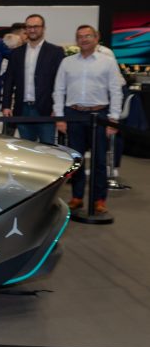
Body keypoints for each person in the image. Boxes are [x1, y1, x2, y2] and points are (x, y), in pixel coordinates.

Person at [53, 25, 123, 214]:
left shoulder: (107, 62)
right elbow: (59, 90)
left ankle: (99, 200)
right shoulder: (67, 62)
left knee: (99, 161)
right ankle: (77, 197)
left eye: (88, 36)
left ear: (96, 37)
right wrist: (60, 117)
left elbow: (116, 91)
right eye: (80, 37)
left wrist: (113, 119)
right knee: (76, 160)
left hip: (99, 115)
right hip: (74, 114)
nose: (83, 39)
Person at [1, 14, 65, 144]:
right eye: (29, 27)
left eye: (36, 26)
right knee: (27, 152)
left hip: (46, 110)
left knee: (48, 150)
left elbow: (61, 82)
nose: (32, 30)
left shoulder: (55, 51)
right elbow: (9, 80)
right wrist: (6, 105)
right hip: (23, 109)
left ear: (43, 28)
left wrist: (58, 108)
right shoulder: (17, 52)